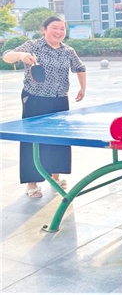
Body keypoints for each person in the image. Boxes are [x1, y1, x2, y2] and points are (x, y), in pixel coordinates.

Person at [2, 16, 87, 198]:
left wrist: (82, 87)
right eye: (54, 28)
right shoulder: (33, 45)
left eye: (62, 28)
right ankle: (32, 184)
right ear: (44, 29)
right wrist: (21, 56)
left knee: (59, 139)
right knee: (32, 141)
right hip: (35, 99)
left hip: (60, 100)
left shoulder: (68, 50)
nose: (59, 32)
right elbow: (7, 56)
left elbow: (80, 67)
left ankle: (55, 176)